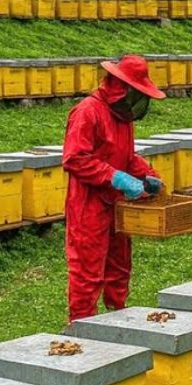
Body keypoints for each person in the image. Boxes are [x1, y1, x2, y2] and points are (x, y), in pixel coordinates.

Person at [63, 54, 166, 323]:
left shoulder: (123, 116)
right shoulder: (87, 112)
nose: (137, 100)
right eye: (136, 93)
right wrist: (116, 178)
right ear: (121, 87)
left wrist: (148, 174)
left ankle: (117, 322)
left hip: (118, 203)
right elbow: (75, 159)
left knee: (119, 267)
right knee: (87, 271)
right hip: (89, 204)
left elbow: (127, 157)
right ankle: (81, 328)